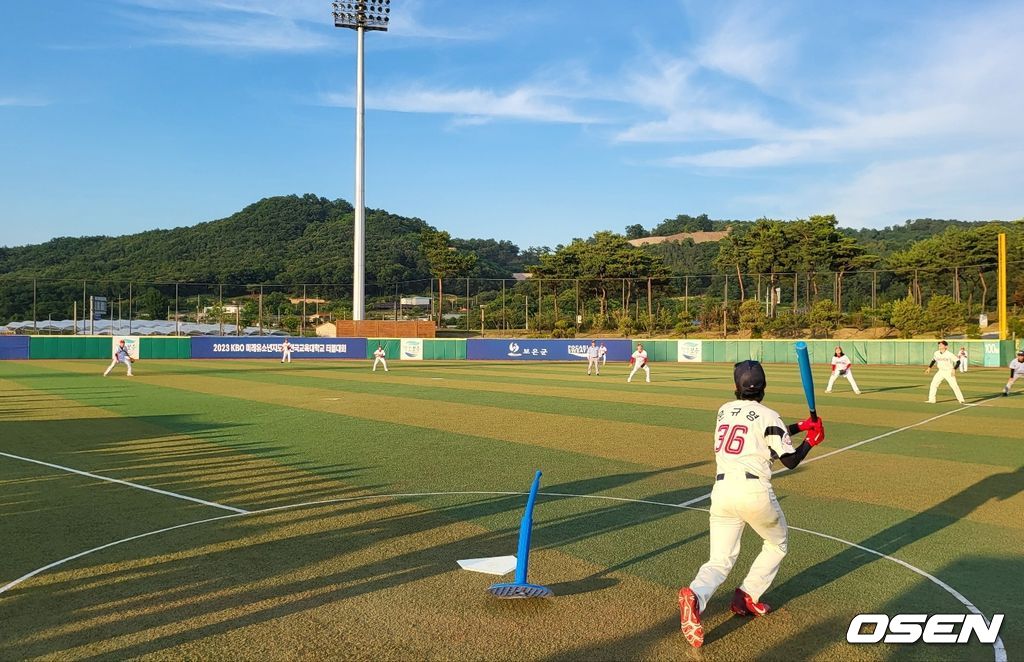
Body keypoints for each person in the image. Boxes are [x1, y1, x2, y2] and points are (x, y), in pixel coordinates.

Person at [679, 360, 825, 648]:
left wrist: (799, 426)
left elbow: (758, 435)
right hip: (754, 492)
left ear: (736, 387)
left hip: (721, 491)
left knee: (719, 560)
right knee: (777, 544)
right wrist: (812, 440)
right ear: (764, 387)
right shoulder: (770, 414)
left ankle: (696, 596)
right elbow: (790, 460)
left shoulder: (723, 411)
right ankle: (747, 595)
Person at [925, 340, 965, 404]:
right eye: (939, 344)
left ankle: (961, 399)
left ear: (946, 346)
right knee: (933, 384)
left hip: (948, 371)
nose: (940, 345)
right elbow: (933, 360)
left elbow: (958, 361)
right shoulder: (936, 353)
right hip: (940, 371)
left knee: (954, 386)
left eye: (941, 344)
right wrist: (929, 368)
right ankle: (932, 399)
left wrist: (954, 369)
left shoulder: (949, 354)